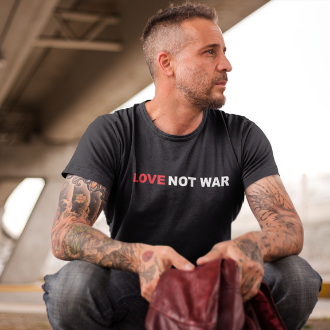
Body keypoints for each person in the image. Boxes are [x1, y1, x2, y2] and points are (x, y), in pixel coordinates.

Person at [43, 2, 322, 330]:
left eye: (224, 52)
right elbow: (65, 233)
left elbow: (288, 227)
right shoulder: (112, 132)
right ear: (167, 63)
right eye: (210, 52)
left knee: (298, 277)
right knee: (71, 288)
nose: (227, 64)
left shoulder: (242, 135)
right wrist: (140, 257)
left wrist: (251, 245)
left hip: (218, 288)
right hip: (137, 285)